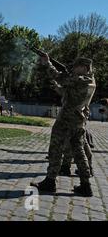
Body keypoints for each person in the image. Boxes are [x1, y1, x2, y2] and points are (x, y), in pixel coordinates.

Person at [31, 56, 96, 197]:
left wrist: (47, 63)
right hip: (79, 120)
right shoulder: (91, 81)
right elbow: (69, 93)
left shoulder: (80, 79)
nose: (73, 68)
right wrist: (59, 88)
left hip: (67, 120)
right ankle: (86, 185)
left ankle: (50, 181)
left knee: (55, 148)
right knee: (79, 153)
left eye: (76, 66)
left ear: (84, 68)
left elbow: (59, 77)